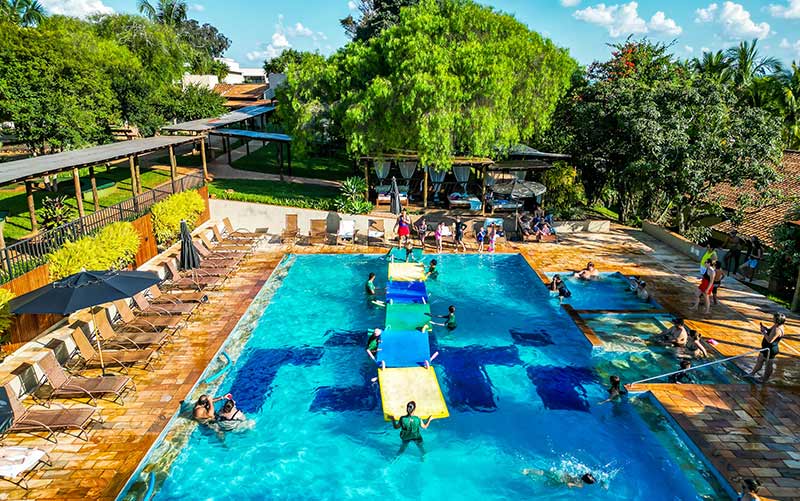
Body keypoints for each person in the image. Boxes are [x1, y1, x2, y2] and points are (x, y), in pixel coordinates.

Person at [749, 312, 786, 383]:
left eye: (774, 318)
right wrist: (765, 328)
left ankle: (765, 380)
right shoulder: (776, 326)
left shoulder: (777, 329)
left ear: (777, 320)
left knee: (768, 365)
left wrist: (763, 332)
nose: (772, 318)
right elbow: (769, 331)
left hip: (770, 349)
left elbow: (770, 340)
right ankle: (752, 373)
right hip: (766, 348)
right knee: (760, 361)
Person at [522, 468, 597, 489]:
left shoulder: (580, 473)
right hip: (561, 479)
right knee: (545, 484)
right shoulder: (580, 484)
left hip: (562, 473)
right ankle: (530, 473)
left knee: (545, 473)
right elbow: (568, 483)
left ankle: (529, 470)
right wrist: (572, 486)